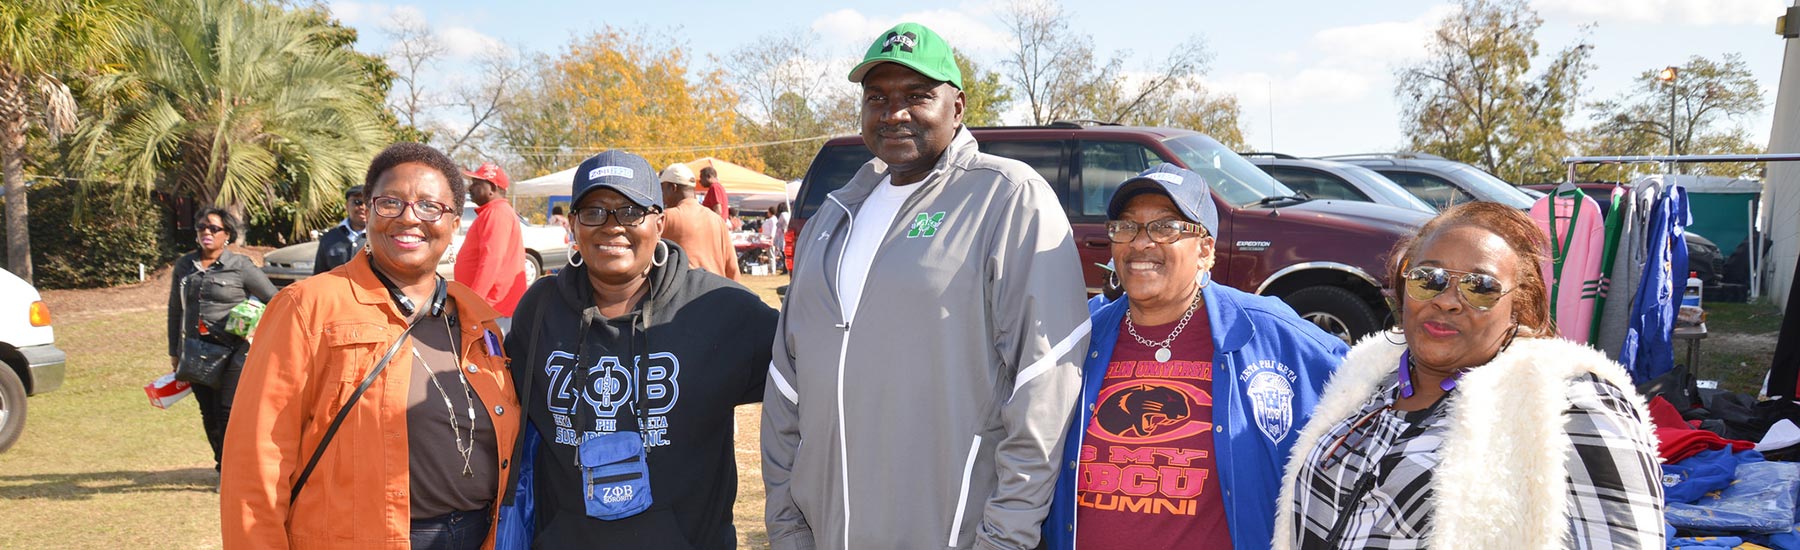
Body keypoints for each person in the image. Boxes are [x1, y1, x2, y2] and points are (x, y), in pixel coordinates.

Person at [763, 22, 1089, 550]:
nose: (894, 113)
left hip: (951, 532)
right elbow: (786, 383)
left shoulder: (1007, 197)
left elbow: (1046, 380)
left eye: (917, 96)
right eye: (877, 97)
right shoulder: (834, 214)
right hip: (826, 533)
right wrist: (786, 526)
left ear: (957, 108)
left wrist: (1006, 536)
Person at [1273, 202, 1664, 549]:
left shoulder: (1569, 403)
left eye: (1481, 287)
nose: (1447, 301)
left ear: (1518, 305)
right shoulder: (1366, 379)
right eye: (1430, 278)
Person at [221, 143, 520, 549]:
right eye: (390, 202)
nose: (409, 217)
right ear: (367, 212)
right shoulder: (307, 307)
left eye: (430, 206)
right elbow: (255, 462)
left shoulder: (475, 318)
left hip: (479, 535)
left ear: (453, 224)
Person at [1041, 165, 1348, 549]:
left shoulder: (1265, 333)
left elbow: (1366, 389)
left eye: (1165, 227)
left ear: (1205, 250)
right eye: (1127, 227)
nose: (1140, 243)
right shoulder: (1082, 338)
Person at [494, 150, 776, 549]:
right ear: (573, 224)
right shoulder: (540, 308)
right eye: (593, 212)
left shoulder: (720, 308)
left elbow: (813, 375)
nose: (612, 226)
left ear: (660, 223)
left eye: (630, 211)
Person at [167, 207, 276, 472]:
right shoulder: (185, 265)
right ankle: (222, 464)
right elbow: (175, 309)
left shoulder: (240, 266)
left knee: (230, 413)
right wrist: (174, 350)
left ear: (226, 234)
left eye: (214, 228)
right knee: (209, 414)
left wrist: (253, 322)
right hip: (195, 350)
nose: (207, 232)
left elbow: (274, 299)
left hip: (233, 351)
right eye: (202, 227)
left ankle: (232, 471)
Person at [456, 162, 528, 317]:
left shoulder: (497, 213)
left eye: (476, 183)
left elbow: (491, 260)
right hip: (492, 307)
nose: (470, 188)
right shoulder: (494, 212)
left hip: (493, 307)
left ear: (493, 189)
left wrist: (474, 303)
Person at [658, 162, 739, 279]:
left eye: (663, 190)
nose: (663, 196)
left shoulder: (666, 218)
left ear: (673, 188)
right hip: (716, 290)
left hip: (686, 293)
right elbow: (732, 268)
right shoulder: (718, 221)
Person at [312, 185, 368, 274]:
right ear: (347, 205)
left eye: (368, 203)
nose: (363, 207)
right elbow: (319, 276)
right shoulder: (329, 238)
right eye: (358, 202)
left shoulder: (381, 238)